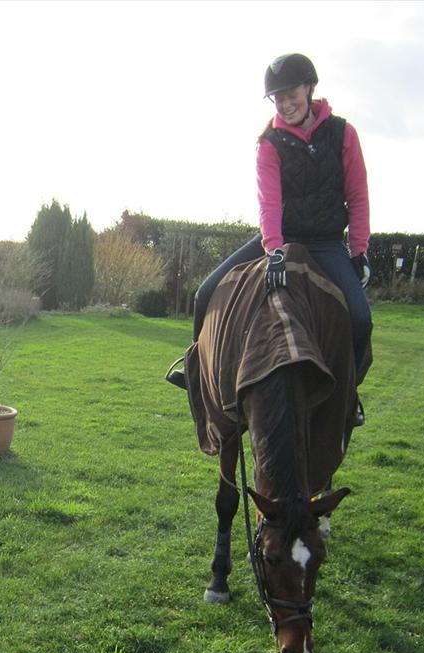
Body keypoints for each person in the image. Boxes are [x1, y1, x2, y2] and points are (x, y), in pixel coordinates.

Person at [168, 53, 372, 424]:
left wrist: (358, 251)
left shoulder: (344, 134)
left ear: (309, 88)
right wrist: (274, 250)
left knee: (360, 319)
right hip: (281, 239)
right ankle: (195, 370)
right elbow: (269, 203)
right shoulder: (269, 143)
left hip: (326, 243)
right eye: (277, 98)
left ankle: (348, 394)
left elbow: (357, 196)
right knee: (205, 293)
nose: (285, 103)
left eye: (291, 93)